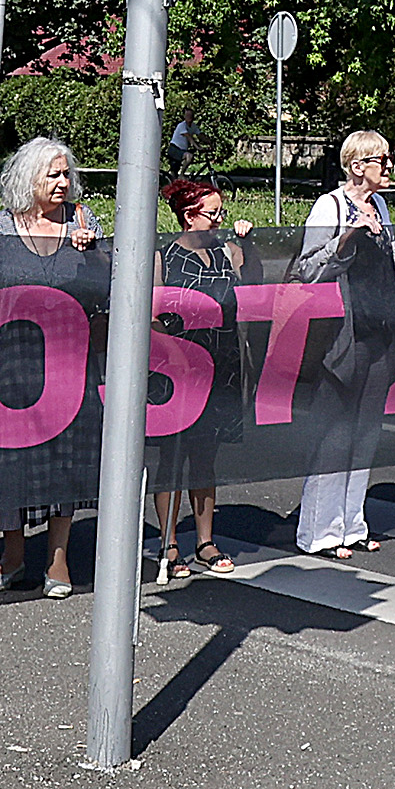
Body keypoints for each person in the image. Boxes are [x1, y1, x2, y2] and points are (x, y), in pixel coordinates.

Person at [0, 138, 102, 596]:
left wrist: (91, 252)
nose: (63, 183)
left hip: (70, 362)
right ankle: (12, 555)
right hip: (12, 362)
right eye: (53, 175)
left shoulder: (84, 222)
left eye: (67, 175)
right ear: (29, 179)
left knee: (65, 461)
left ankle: (58, 560)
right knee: (12, 460)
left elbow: (108, 286)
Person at [295, 128, 395, 558]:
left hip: (381, 330)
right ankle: (319, 531)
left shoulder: (379, 203)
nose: (389, 166)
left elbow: (386, 261)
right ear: (358, 166)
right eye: (382, 159)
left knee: (365, 431)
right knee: (334, 432)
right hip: (344, 334)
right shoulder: (331, 205)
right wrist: (348, 236)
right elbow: (309, 267)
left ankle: (351, 525)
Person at [150, 175, 248, 576]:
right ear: (189, 216)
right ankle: (169, 544)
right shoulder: (164, 256)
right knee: (171, 457)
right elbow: (152, 316)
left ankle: (205, 541)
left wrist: (247, 244)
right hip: (177, 367)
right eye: (212, 214)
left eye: (221, 212)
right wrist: (172, 354)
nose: (219, 220)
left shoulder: (227, 252)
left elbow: (247, 296)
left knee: (206, 455)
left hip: (221, 364)